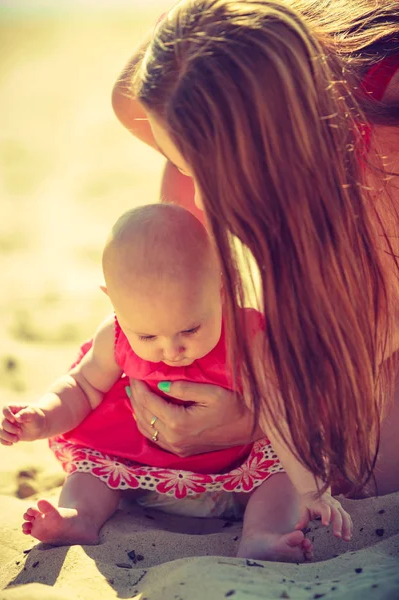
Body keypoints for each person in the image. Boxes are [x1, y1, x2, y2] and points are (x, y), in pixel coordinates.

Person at [110, 0, 399, 500]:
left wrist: (254, 423)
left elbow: (357, 356)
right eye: (184, 166)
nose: (200, 198)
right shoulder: (170, 71)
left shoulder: (382, 173)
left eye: (214, 178)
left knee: (370, 473)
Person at [0, 204, 353, 560]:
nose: (172, 350)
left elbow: (281, 414)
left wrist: (310, 490)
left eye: (190, 329)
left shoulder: (249, 338)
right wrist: (42, 418)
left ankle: (261, 535)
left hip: (236, 471)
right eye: (148, 336)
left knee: (281, 475)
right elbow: (81, 388)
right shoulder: (116, 334)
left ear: (221, 286)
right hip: (138, 470)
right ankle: (80, 517)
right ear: (114, 302)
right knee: (91, 469)